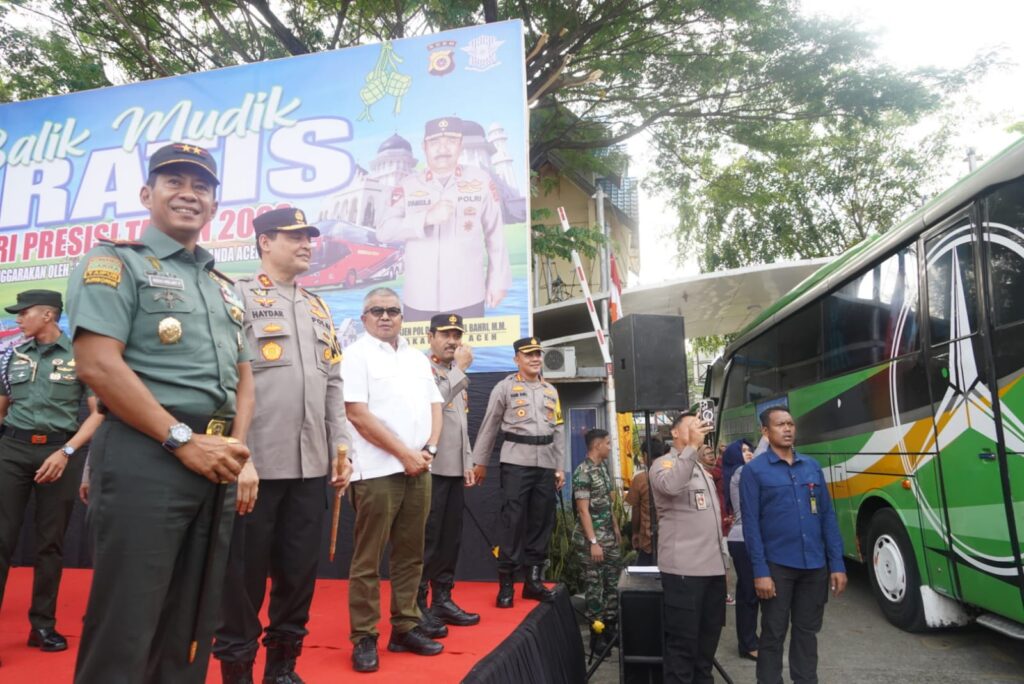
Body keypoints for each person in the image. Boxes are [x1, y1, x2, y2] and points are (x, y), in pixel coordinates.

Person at [66, 141, 255, 683]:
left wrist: (237, 450)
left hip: (215, 462)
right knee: (127, 623)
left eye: (201, 186)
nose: (189, 194)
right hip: (147, 457)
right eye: (174, 182)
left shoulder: (224, 286)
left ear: (215, 205)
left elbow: (245, 380)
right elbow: (98, 365)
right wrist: (181, 440)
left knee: (191, 624)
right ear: (148, 194)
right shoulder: (114, 262)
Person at [213, 207, 353, 683]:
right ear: (264, 242)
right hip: (255, 468)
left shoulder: (319, 306)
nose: (307, 244)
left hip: (311, 466)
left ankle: (282, 669)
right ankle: (237, 673)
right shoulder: (237, 297)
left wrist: (342, 446)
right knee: (242, 582)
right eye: (294, 236)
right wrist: (238, 452)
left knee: (297, 577)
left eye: (309, 237)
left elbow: (334, 382)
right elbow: (225, 381)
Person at [342, 287, 444, 673]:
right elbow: (357, 415)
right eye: (377, 310)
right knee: (368, 559)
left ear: (403, 317)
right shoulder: (355, 356)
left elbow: (436, 405)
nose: (386, 316)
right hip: (377, 471)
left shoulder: (418, 359)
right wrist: (404, 454)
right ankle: (364, 636)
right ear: (364, 317)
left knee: (410, 554)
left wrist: (429, 450)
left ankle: (405, 626)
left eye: (393, 311)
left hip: (420, 467)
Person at [0, 290, 103, 654]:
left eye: (23, 313)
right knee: (1, 540)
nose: (17, 320)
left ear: (47, 315)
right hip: (11, 449)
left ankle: (42, 626)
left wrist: (67, 451)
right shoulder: (12, 354)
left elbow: (98, 412)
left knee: (50, 544)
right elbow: (1, 408)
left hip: (59, 452)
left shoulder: (80, 356)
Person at [741, 407, 847, 684]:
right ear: (765, 432)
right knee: (773, 634)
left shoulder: (811, 467)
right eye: (780, 425)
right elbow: (751, 526)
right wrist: (760, 571)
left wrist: (836, 564)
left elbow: (827, 517)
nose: (787, 429)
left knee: (807, 633)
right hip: (777, 567)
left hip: (814, 566)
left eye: (790, 424)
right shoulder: (754, 471)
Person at [377, 116, 511, 321]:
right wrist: (426, 218)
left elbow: (495, 234)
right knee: (418, 354)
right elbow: (385, 230)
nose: (443, 148)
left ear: (460, 144)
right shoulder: (407, 185)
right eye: (435, 142)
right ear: (424, 147)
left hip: (467, 296)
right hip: (419, 298)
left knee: (465, 354)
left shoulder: (480, 180)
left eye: (450, 141)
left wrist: (498, 280)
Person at [470, 337, 564, 608]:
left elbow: (557, 430)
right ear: (516, 359)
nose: (535, 358)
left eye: (538, 354)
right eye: (529, 355)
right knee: (513, 522)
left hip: (545, 462)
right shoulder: (505, 388)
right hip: (516, 461)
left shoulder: (551, 391)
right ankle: (507, 584)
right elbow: (489, 425)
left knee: (541, 521)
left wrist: (559, 466)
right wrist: (480, 462)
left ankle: (533, 582)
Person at [649, 412, 727, 684]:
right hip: (684, 573)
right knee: (682, 650)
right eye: (692, 426)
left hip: (713, 572)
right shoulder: (664, 464)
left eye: (701, 426)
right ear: (675, 433)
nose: (699, 430)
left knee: (705, 651)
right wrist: (693, 447)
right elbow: (670, 487)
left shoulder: (701, 470)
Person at [419, 313, 480, 632]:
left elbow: (460, 426)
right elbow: (434, 403)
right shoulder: (422, 369)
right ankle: (416, 605)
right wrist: (460, 370)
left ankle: (441, 599)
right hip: (430, 468)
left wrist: (467, 461)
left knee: (450, 539)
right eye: (445, 334)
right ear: (430, 336)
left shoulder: (452, 373)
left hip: (454, 468)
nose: (453, 341)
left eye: (457, 334)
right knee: (427, 539)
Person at [571, 428, 622, 655]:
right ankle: (597, 635)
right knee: (595, 587)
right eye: (608, 443)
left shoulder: (602, 468)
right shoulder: (582, 472)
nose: (610, 447)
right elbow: (583, 511)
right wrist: (593, 541)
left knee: (612, 584)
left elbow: (607, 503)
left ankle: (611, 630)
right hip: (592, 542)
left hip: (609, 539)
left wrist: (616, 528)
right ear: (597, 445)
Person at [722, 438, 759, 662]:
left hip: (749, 538)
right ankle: (747, 643)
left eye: (750, 450)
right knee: (749, 594)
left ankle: (750, 639)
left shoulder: (744, 473)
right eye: (744, 451)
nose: (749, 454)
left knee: (751, 592)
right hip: (743, 539)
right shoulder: (740, 473)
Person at [625, 437, 666, 566]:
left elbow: (636, 510)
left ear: (645, 455)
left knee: (644, 579)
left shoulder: (640, 479)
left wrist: (635, 533)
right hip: (670, 539)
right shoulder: (673, 474)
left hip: (649, 541)